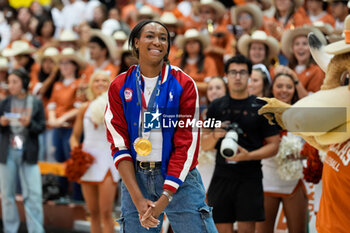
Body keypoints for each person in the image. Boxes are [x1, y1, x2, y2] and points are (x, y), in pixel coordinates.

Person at [105, 20, 218, 233]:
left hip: (180, 180)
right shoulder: (119, 86)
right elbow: (118, 146)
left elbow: (187, 144)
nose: (157, 41)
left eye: (163, 38)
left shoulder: (184, 83)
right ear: (136, 42)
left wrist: (166, 196)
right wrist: (138, 200)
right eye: (150, 36)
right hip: (135, 179)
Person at [202, 54, 280, 233]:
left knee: (247, 229)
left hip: (250, 177)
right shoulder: (216, 106)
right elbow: (204, 144)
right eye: (233, 72)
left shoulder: (261, 106)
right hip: (221, 176)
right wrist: (215, 136)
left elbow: (274, 145)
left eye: (242, 73)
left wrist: (248, 156)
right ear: (227, 76)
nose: (237, 77)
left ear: (249, 76)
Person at [256, 72, 308, 233]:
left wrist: (300, 154)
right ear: (272, 89)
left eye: (289, 86)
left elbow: (312, 148)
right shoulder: (260, 113)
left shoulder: (303, 115)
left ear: (295, 90)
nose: (284, 90)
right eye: (279, 86)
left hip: (293, 184)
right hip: (266, 183)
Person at [70, 71, 120, 233]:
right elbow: (74, 137)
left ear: (110, 84)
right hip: (88, 161)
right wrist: (77, 152)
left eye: (104, 81)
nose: (100, 83)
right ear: (91, 84)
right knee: (93, 213)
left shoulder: (117, 106)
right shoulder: (84, 108)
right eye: (96, 80)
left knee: (106, 213)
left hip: (108, 159)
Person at [0, 68, 45, 233]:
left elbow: (41, 126)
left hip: (29, 151)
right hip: (8, 151)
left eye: (14, 82)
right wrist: (2, 123)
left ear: (24, 83)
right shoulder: (4, 102)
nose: (11, 85)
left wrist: (29, 124)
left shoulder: (35, 102)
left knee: (34, 194)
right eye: (9, 82)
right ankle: (10, 229)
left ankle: (36, 230)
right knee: (7, 194)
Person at [281, 26, 326, 95]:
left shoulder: (317, 71)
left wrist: (295, 79)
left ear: (311, 48)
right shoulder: (289, 69)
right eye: (297, 44)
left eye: (305, 44)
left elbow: (311, 100)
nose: (300, 47)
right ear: (292, 48)